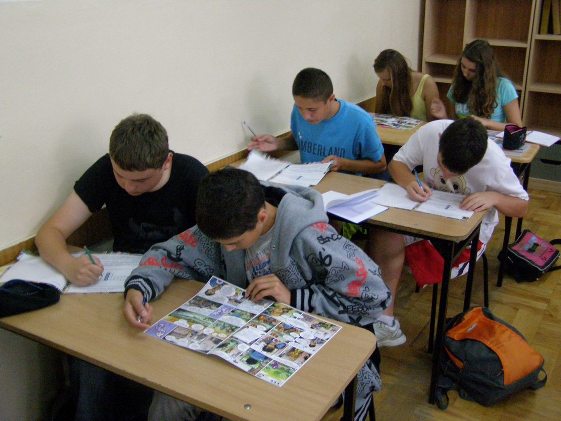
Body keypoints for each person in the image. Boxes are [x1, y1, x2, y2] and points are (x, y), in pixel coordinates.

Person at [123, 168, 392, 421]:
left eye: (234, 243)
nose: (227, 250)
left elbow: (375, 295)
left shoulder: (310, 236)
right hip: (242, 343)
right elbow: (168, 252)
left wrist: (294, 298)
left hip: (312, 354)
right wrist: (139, 286)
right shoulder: (229, 218)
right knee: (169, 401)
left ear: (262, 218)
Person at [36, 113, 209, 421]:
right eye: (120, 177)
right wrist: (68, 265)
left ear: (166, 162)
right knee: (87, 359)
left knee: (165, 378)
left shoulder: (192, 176)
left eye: (141, 180)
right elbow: (50, 233)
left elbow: (214, 249)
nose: (129, 187)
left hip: (179, 282)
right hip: (121, 280)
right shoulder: (106, 169)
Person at [367, 118, 529, 346]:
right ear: (441, 139)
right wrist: (409, 182)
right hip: (427, 213)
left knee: (414, 253)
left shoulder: (494, 160)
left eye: (455, 173)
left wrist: (495, 197)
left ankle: (384, 311)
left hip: (467, 233)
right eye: (442, 165)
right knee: (383, 232)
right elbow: (397, 164)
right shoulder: (431, 132)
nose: (447, 176)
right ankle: (386, 322)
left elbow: (522, 206)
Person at [248, 67, 386, 177]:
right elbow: (300, 140)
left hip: (344, 190)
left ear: (330, 99)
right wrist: (278, 143)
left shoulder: (360, 121)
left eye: (312, 109)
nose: (305, 116)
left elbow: (380, 165)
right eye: (299, 107)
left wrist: (344, 164)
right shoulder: (299, 111)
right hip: (308, 183)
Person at [430, 39, 523, 131]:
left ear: (484, 71)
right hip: (464, 137)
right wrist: (443, 116)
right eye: (463, 66)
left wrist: (487, 122)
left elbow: (517, 128)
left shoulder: (504, 86)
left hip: (489, 138)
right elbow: (455, 124)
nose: (465, 73)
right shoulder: (458, 84)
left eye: (472, 70)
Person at [373, 49, 440, 121]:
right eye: (380, 78)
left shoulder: (427, 83)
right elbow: (378, 118)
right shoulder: (382, 84)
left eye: (388, 80)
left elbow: (434, 123)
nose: (383, 83)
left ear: (400, 75)